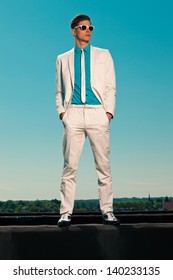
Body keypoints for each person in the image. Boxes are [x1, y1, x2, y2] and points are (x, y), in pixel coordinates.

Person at [56, 14, 119, 226]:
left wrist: (108, 113)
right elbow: (59, 90)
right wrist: (62, 113)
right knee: (69, 167)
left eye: (91, 27)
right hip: (73, 113)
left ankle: (107, 211)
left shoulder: (104, 55)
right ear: (74, 31)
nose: (88, 31)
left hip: (97, 113)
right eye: (84, 27)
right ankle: (65, 213)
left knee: (103, 165)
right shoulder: (62, 59)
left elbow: (111, 86)